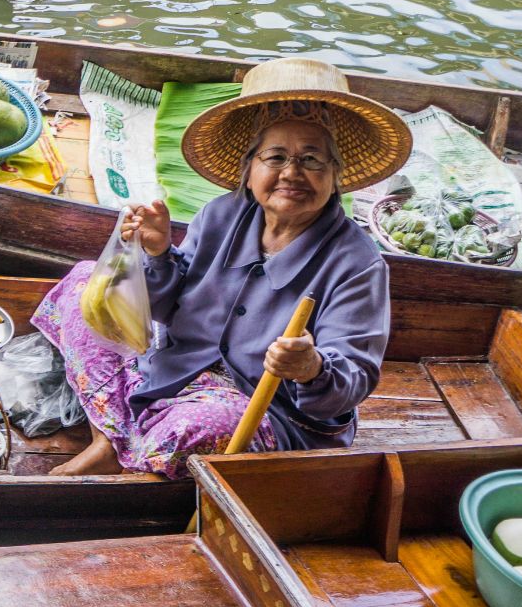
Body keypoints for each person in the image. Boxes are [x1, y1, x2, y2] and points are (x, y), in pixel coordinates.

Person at [37, 58, 412, 478]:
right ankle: (110, 440)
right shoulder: (221, 214)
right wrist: (159, 253)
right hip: (178, 368)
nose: (292, 173)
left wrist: (311, 368)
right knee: (90, 282)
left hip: (265, 407)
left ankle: (132, 466)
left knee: (199, 427)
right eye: (275, 157)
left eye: (312, 160)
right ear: (249, 169)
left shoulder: (358, 264)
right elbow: (167, 308)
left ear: (335, 176)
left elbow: (353, 379)